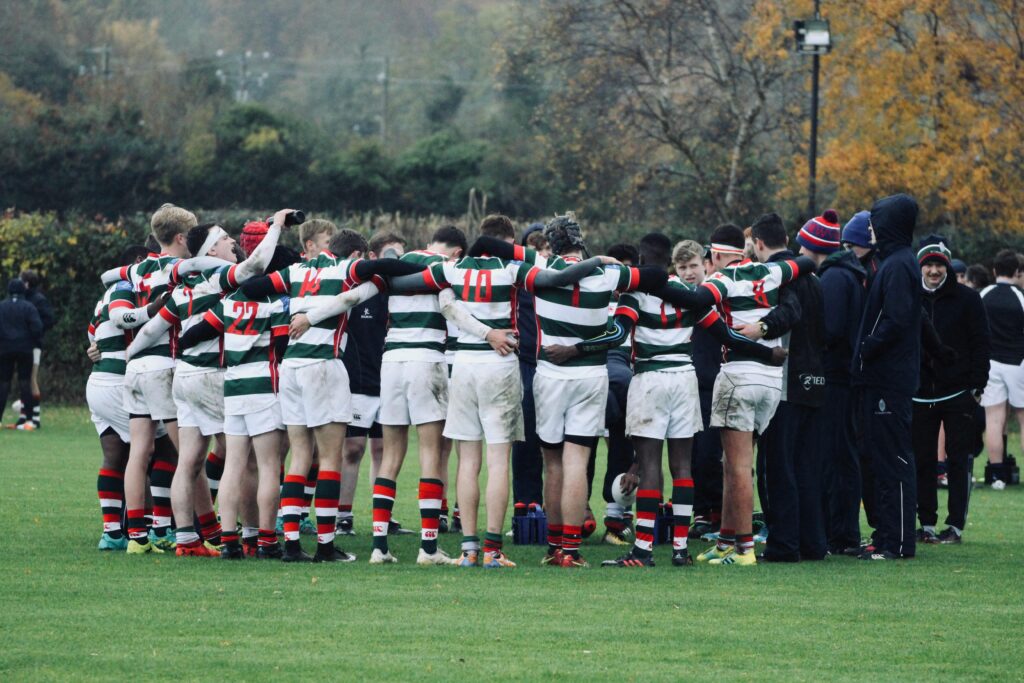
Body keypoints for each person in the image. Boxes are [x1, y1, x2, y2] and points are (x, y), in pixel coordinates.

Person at [569, 232, 785, 568]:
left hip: (651, 379)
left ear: (641, 261)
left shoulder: (635, 293)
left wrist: (576, 349)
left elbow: (617, 334)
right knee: (682, 466)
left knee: (651, 466)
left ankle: (642, 549)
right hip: (685, 379)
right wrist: (766, 351)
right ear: (670, 261)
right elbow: (724, 333)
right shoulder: (689, 294)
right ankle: (681, 548)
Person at [243, 227, 426, 562]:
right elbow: (398, 269)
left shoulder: (296, 270)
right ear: (357, 255)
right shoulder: (346, 269)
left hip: (292, 368)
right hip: (324, 366)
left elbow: (251, 287)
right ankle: (325, 547)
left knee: (298, 457)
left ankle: (293, 545)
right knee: (329, 459)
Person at [126, 214, 289, 556]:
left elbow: (150, 330)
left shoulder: (182, 289)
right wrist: (277, 227)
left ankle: (187, 539)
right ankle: (248, 537)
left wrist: (127, 354)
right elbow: (258, 262)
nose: (234, 243)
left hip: (183, 377)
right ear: (210, 248)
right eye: (226, 238)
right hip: (213, 374)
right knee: (241, 460)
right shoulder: (219, 276)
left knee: (189, 460)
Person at [658, 220, 815, 567]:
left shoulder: (723, 279)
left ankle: (743, 548)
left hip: (739, 375)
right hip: (772, 381)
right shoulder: (772, 272)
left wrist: (655, 284)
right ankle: (727, 539)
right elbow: (806, 263)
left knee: (738, 466)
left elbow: (696, 297)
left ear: (715, 256)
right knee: (732, 464)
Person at [530, 213, 667, 568]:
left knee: (553, 464)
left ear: (552, 243)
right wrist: (604, 263)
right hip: (591, 375)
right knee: (578, 461)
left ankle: (554, 547)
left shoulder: (539, 267)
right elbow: (655, 276)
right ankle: (572, 551)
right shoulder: (607, 273)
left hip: (550, 374)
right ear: (581, 239)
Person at [179, 246, 301, 559]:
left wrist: (177, 348)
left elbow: (194, 334)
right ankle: (267, 540)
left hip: (233, 386)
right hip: (264, 386)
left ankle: (230, 540)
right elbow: (285, 346)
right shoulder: (278, 304)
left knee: (233, 464)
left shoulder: (229, 302)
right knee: (268, 466)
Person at [370, 225, 468, 564]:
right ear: (457, 252)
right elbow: (452, 311)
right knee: (431, 453)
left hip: (392, 361)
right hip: (426, 359)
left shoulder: (403, 260)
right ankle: (428, 549)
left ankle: (379, 547)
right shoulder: (447, 267)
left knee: (390, 457)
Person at [750, 211, 831, 563]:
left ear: (758, 243)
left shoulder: (778, 275)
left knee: (777, 466)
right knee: (807, 468)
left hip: (784, 385)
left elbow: (790, 313)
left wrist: (761, 329)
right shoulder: (814, 278)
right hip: (815, 382)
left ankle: (783, 543)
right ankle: (813, 542)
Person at [852, 193, 922, 561]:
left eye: (878, 222)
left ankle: (896, 542)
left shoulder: (897, 266)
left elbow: (895, 319)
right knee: (882, 458)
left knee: (893, 459)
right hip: (885, 376)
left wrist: (866, 346)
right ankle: (886, 537)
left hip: (887, 379)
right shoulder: (896, 262)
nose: (872, 229)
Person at [912, 242, 990, 544]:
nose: (934, 271)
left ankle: (955, 525)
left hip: (958, 392)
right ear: (920, 266)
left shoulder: (968, 299)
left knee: (959, 460)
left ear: (948, 267)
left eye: (939, 265)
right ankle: (926, 523)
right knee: (922, 459)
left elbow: (981, 343)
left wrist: (977, 386)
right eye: (928, 265)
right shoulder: (910, 295)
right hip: (919, 392)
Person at [337, 231, 407, 536]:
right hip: (358, 381)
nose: (396, 262)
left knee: (385, 450)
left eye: (400, 256)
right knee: (352, 449)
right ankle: (343, 518)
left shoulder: (404, 293)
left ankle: (383, 517)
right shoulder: (360, 289)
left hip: (390, 382)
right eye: (391, 254)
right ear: (373, 258)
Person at [817, 219, 869, 555]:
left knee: (836, 456)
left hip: (836, 377)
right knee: (843, 454)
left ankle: (841, 533)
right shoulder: (852, 274)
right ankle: (843, 531)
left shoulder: (835, 277)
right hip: (846, 377)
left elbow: (831, 329)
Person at [674, 240, 723, 538]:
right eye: (683, 268)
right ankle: (700, 512)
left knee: (711, 454)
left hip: (712, 384)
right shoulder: (674, 299)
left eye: (693, 266)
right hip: (684, 385)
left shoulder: (715, 296)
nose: (689, 273)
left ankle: (718, 511)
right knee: (688, 456)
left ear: (705, 263)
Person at [978, 249, 1024, 489]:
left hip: (991, 364)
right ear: (1017, 272)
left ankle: (996, 475)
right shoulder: (1021, 297)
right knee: (1022, 418)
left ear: (994, 271)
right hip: (1018, 363)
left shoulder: (983, 294)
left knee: (993, 419)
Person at [511, 223, 546, 515]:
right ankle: (526, 504)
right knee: (525, 438)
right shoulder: (516, 281)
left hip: (559, 365)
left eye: (545, 248)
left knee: (565, 440)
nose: (539, 255)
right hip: (525, 364)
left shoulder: (561, 280)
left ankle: (574, 509)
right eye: (533, 249)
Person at [0, 278, 43, 429]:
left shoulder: (2, 306)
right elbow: (37, 328)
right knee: (25, 382)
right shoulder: (28, 307)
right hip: (25, 349)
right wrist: (32, 341)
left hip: (4, 349)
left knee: (3, 383)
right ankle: (29, 420)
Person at [17, 270, 53, 429]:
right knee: (23, 379)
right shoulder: (22, 298)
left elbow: (49, 320)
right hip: (22, 345)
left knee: (31, 379)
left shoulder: (38, 300)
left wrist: (34, 332)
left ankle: (35, 418)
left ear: (26, 283)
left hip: (33, 345)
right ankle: (24, 415)